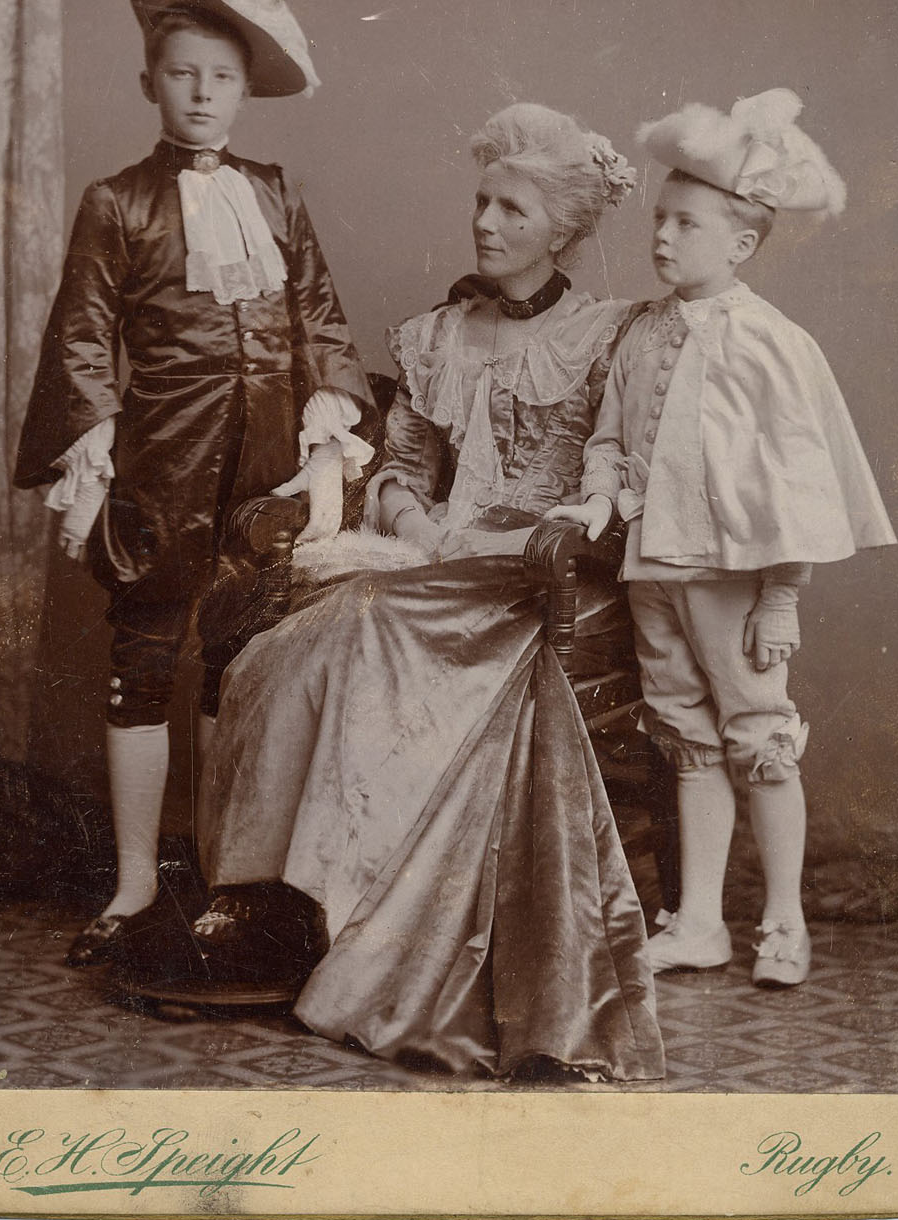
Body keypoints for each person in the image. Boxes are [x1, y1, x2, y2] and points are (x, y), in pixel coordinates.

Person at [194, 103, 665, 1082]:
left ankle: (385, 931)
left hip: (536, 572)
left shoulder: (609, 335)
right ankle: (289, 898)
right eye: (482, 201)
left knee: (385, 635)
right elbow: (401, 466)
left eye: (513, 209)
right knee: (302, 641)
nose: (486, 222)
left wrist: (541, 530)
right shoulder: (436, 334)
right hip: (431, 561)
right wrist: (420, 532)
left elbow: (613, 475)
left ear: (563, 230)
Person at [14, 0, 374, 967]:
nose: (205, 92)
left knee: (237, 664)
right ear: (150, 84)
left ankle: (226, 871)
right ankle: (133, 884)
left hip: (262, 476)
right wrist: (92, 458)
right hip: (160, 475)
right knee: (141, 668)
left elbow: (319, 317)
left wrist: (323, 426)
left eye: (222, 75)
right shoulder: (115, 202)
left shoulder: (276, 193)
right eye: (184, 73)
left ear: (245, 89)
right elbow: (81, 340)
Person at [549, 89, 896, 988]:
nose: (663, 238)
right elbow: (613, 438)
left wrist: (782, 591)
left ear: (740, 243)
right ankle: (698, 920)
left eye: (687, 224)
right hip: (650, 569)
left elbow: (800, 475)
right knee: (687, 742)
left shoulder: (769, 341)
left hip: (736, 579)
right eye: (660, 220)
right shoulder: (643, 331)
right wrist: (598, 499)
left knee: (760, 740)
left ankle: (783, 920)